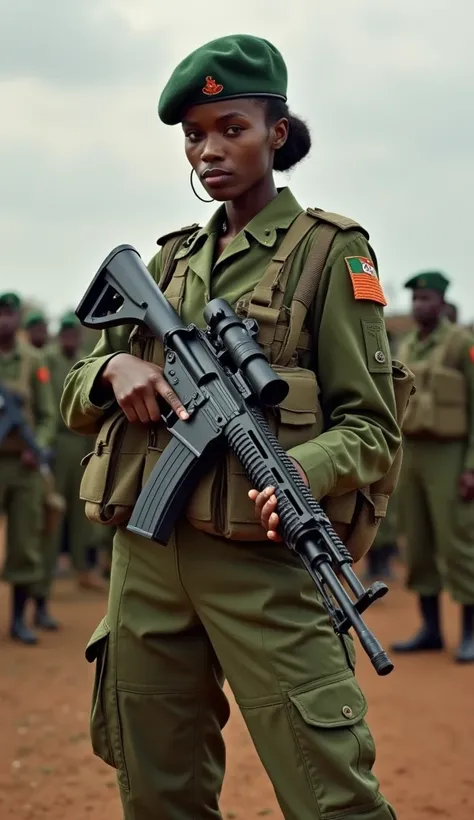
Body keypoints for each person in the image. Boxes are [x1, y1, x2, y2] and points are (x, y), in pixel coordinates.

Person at [61, 35, 400, 820]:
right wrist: (114, 373)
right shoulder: (170, 262)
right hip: (146, 560)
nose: (210, 150)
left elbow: (373, 429)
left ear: (277, 133)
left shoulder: (330, 253)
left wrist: (303, 474)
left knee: (330, 794)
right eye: (195, 134)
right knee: (157, 789)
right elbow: (78, 391)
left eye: (232, 128)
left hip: (264, 560)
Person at [391, 272, 474, 663]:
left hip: (451, 455)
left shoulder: (463, 344)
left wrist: (471, 466)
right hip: (412, 455)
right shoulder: (407, 345)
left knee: (458, 543)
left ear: (442, 303)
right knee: (419, 543)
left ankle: (470, 633)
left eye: (426, 298)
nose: (419, 305)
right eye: (416, 299)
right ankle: (430, 630)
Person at [0, 292, 56, 644]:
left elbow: (49, 415)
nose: (4, 320)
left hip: (23, 468)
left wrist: (39, 448)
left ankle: (19, 619)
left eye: (9, 314)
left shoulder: (34, 360)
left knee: (25, 545)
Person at [45, 312, 106, 592]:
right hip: (56, 445)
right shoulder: (47, 360)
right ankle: (47, 570)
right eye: (66, 334)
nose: (71, 339)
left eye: (75, 334)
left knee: (83, 511)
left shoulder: (85, 360)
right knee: (54, 511)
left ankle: (83, 568)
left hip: (83, 443)